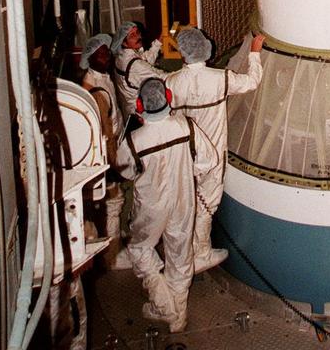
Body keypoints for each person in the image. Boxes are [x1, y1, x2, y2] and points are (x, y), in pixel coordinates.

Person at [115, 76, 209, 333]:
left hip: (150, 208)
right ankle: (178, 313)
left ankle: (164, 305)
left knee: (140, 249)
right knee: (180, 254)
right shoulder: (185, 127)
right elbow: (207, 161)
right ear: (169, 99)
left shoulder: (135, 141)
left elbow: (125, 172)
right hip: (183, 201)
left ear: (140, 105)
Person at [170, 26, 265, 273]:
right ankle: (200, 254)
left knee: (185, 202)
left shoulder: (171, 82)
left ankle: (181, 253)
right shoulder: (219, 79)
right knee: (206, 206)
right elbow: (252, 81)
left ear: (182, 52)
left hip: (183, 154)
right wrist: (254, 52)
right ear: (206, 50)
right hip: (212, 154)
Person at [79, 33, 124, 259]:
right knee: (114, 201)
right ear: (90, 57)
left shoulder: (103, 77)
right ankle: (112, 257)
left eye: (107, 51)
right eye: (100, 53)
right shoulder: (91, 87)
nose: (106, 56)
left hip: (113, 142)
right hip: (105, 150)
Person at [111, 20, 167, 119]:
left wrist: (159, 41)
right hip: (139, 114)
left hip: (129, 109)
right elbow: (161, 77)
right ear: (124, 42)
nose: (138, 37)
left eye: (137, 33)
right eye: (132, 36)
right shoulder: (133, 64)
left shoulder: (122, 55)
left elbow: (145, 59)